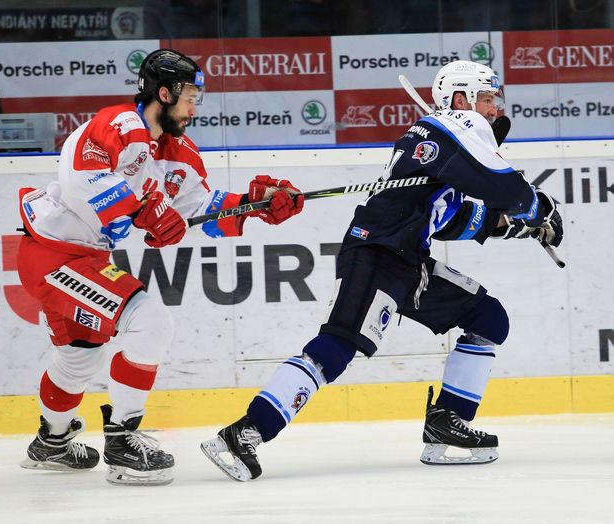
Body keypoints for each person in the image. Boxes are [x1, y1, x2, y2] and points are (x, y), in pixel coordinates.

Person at [200, 60, 564, 481]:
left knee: (487, 318)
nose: (495, 110)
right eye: (486, 99)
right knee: (337, 347)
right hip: (379, 252)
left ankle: (447, 421)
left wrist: (516, 226)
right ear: (460, 99)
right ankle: (244, 432)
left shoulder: (443, 140)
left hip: (408, 259)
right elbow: (508, 189)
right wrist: (540, 208)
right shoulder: (454, 126)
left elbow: (451, 215)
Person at [15, 48, 304, 485]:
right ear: (163, 93)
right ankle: (123, 440)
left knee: (77, 356)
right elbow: (83, 176)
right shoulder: (118, 124)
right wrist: (144, 209)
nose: (194, 107)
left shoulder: (179, 153)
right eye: (189, 96)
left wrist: (254, 205)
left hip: (83, 257)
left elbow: (202, 207)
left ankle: (50, 443)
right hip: (54, 252)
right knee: (149, 320)